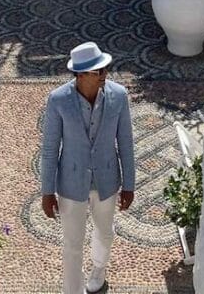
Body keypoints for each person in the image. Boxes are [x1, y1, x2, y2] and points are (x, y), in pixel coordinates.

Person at [40, 41, 135, 294]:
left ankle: (98, 270)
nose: (105, 75)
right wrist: (47, 191)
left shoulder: (119, 97)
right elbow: (50, 149)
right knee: (72, 244)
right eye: (99, 71)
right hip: (71, 186)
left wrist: (130, 185)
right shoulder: (58, 100)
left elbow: (125, 143)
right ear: (81, 75)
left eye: (104, 70)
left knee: (105, 234)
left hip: (107, 182)